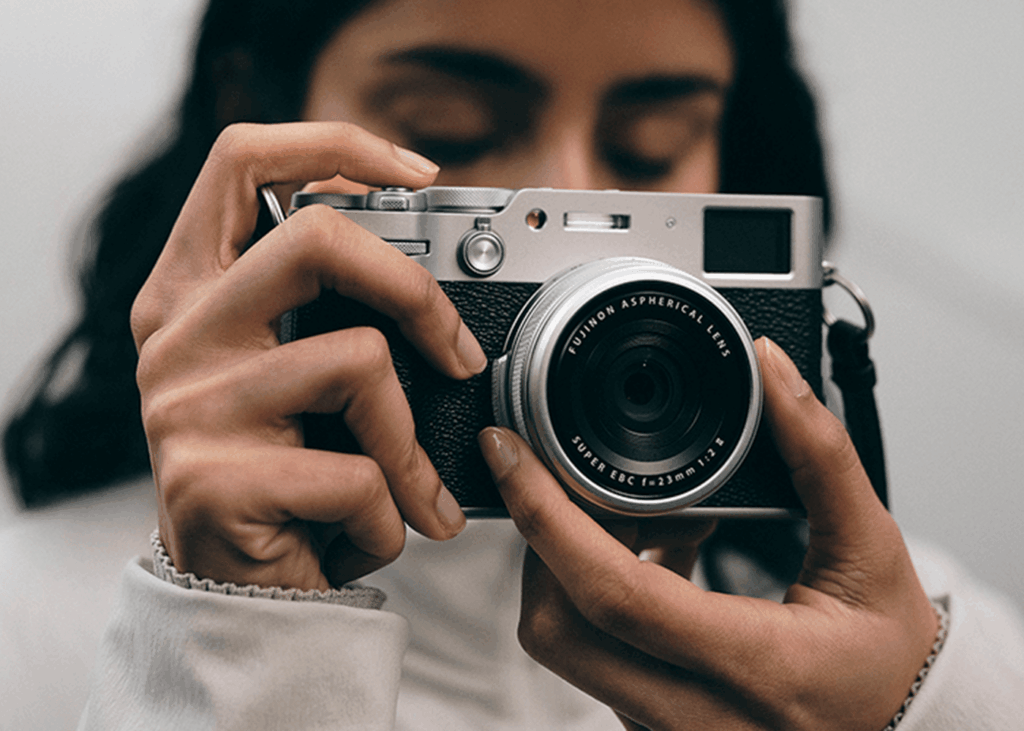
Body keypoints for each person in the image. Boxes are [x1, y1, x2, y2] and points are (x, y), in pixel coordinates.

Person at [2, 0, 1022, 729]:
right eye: (451, 131)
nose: (565, 208)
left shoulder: (906, 646)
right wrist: (229, 644)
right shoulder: (37, 625)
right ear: (264, 120)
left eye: (649, 149)